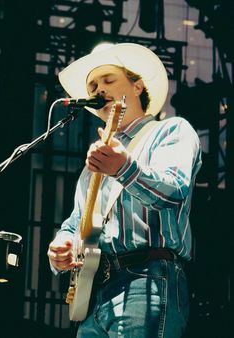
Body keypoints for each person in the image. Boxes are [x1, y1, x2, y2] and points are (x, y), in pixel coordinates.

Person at [47, 43, 202, 338]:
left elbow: (172, 191)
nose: (98, 90)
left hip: (148, 278)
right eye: (92, 86)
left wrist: (122, 168)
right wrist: (63, 246)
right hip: (96, 289)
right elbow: (75, 223)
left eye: (108, 80)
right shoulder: (93, 165)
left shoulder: (170, 131)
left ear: (137, 85)